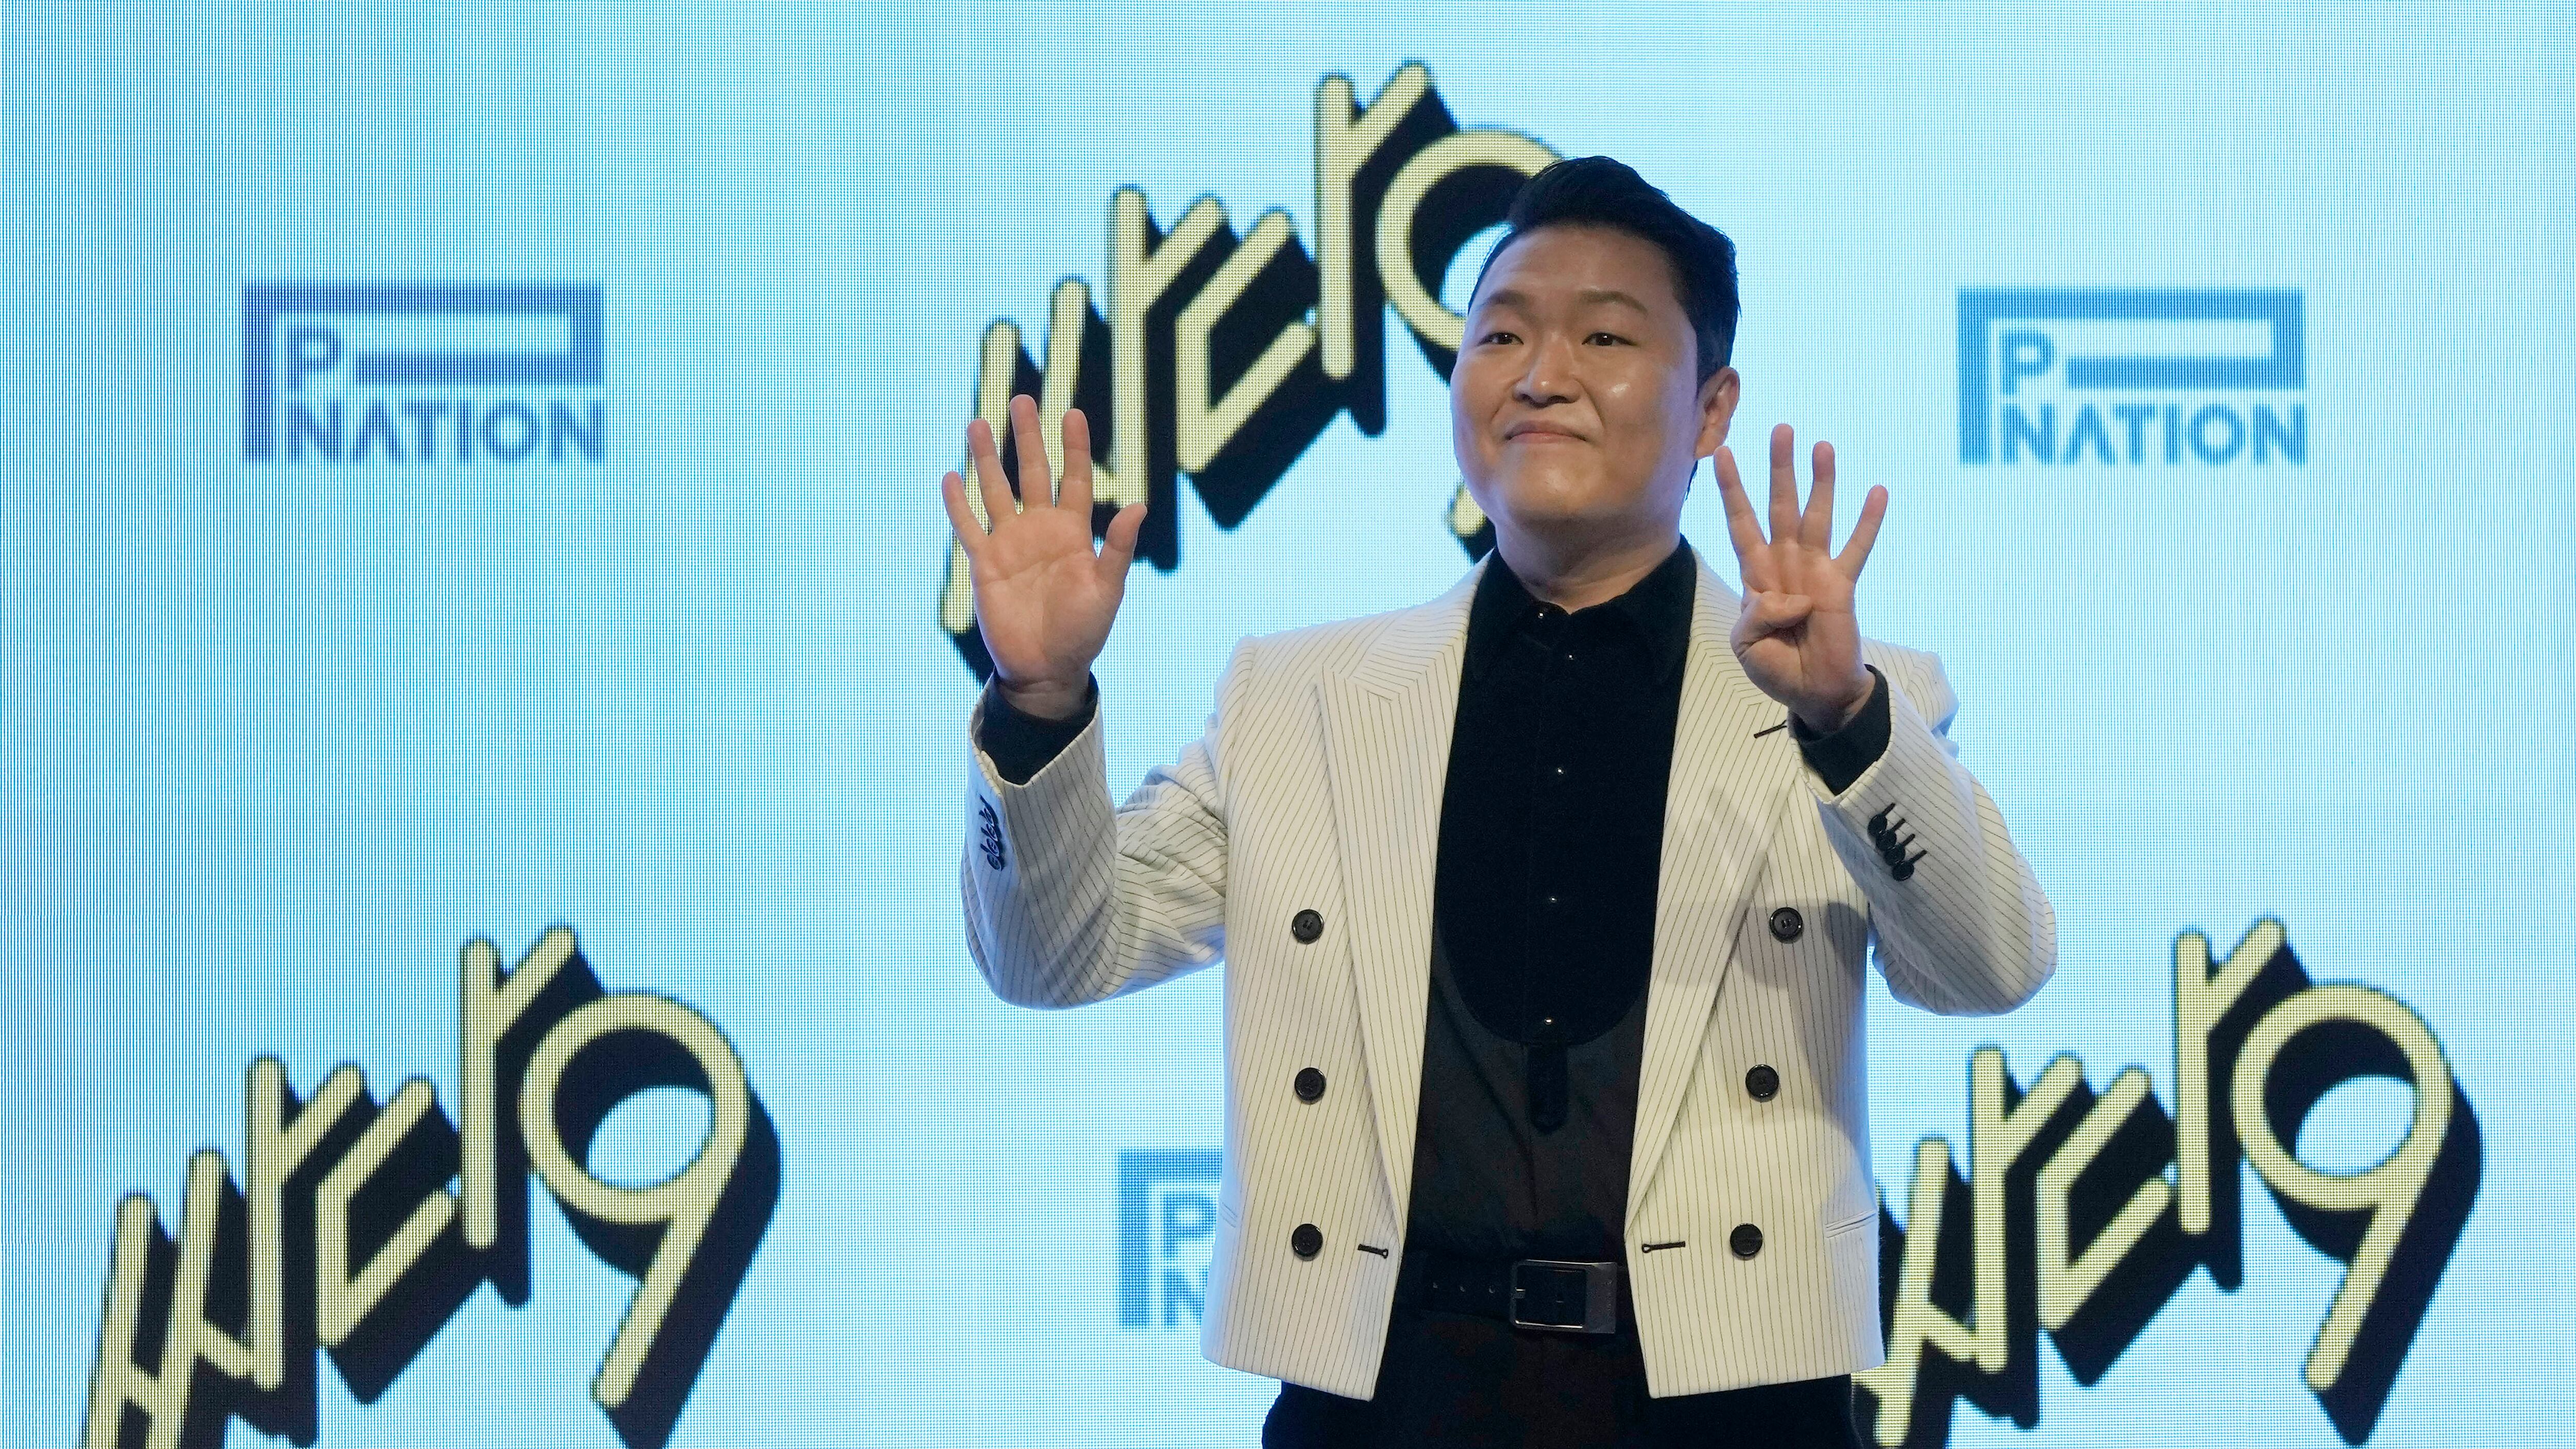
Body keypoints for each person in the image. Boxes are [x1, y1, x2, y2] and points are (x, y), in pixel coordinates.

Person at [942, 156, 2056, 1447]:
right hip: (1386, 1398)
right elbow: (1053, 956)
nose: (1541, 375)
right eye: (1502, 335)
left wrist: (1845, 721)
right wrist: (1037, 701)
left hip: (1727, 1402)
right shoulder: (1297, 698)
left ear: (1711, 409)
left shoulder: (1841, 695)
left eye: (1605, 338)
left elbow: (1993, 967)